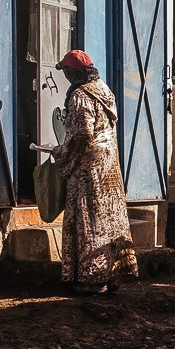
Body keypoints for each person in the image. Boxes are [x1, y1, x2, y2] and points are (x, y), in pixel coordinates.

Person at [51, 49, 138, 294]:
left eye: (66, 71)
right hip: (109, 165)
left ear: (72, 73)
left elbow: (82, 134)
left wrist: (61, 154)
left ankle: (91, 279)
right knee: (109, 219)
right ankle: (111, 275)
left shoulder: (80, 95)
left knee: (88, 220)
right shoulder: (104, 90)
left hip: (88, 169)